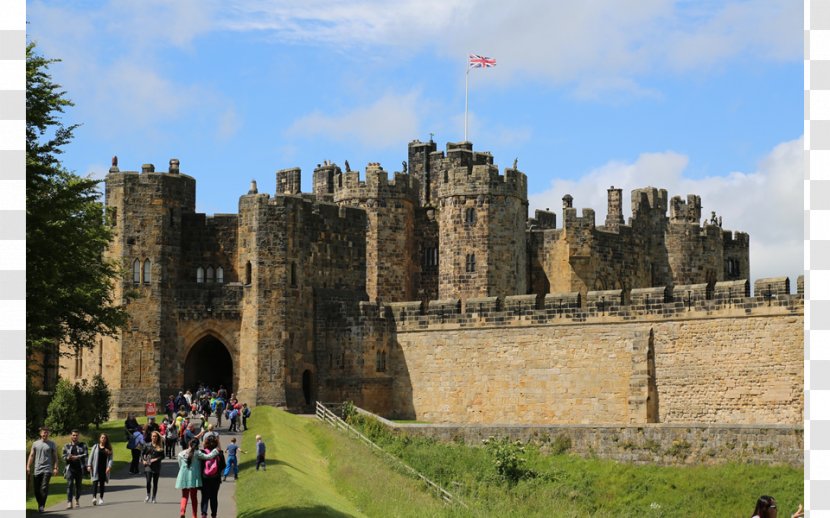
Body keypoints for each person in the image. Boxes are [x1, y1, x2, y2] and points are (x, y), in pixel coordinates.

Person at [176, 438, 220, 518]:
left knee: (184, 496)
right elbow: (208, 457)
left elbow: (180, 465)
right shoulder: (197, 453)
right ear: (197, 445)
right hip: (194, 477)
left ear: (189, 444)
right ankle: (194, 515)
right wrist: (216, 451)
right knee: (194, 497)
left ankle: (182, 511)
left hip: (184, 476)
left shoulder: (180, 454)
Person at [26, 427, 58, 513]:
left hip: (47, 469)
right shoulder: (35, 444)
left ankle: (41, 506)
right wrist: (28, 466)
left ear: (49, 434)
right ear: (41, 434)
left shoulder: (52, 444)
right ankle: (40, 504)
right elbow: (32, 455)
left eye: (47, 433)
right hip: (37, 469)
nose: (45, 434)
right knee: (37, 490)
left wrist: (55, 467)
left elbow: (55, 457)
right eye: (44, 433)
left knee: (44, 487)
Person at [62, 429, 89, 508]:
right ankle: (69, 502)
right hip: (70, 468)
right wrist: (68, 457)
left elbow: (86, 455)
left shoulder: (83, 445)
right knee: (69, 484)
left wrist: (77, 457)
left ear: (78, 436)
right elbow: (63, 456)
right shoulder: (66, 446)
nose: (75, 437)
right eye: (73, 435)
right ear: (71, 436)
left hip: (79, 468)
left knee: (78, 486)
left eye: (76, 435)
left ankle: (77, 500)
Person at [200, 435, 224, 518]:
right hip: (216, 478)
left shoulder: (202, 452)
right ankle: (214, 514)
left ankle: (204, 513)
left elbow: (200, 466)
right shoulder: (219, 453)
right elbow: (223, 465)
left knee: (205, 497)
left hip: (204, 478)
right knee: (214, 497)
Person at [87, 433, 112, 506]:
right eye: (102, 437)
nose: (103, 439)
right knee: (95, 482)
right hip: (95, 467)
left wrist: (109, 467)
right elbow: (91, 457)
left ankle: (101, 498)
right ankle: (94, 497)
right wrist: (89, 465)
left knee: (102, 484)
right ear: (99, 439)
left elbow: (111, 459)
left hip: (104, 468)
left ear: (106, 439)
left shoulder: (108, 448)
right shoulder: (95, 447)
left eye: (104, 438)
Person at [142, 430, 165, 503]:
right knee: (148, 481)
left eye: (155, 436)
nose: (154, 437)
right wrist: (143, 460)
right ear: (151, 437)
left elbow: (163, 456)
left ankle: (154, 497)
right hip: (148, 465)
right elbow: (142, 454)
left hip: (156, 466)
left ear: (157, 437)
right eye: (153, 436)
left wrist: (156, 459)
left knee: (155, 482)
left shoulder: (160, 446)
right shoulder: (147, 445)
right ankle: (148, 494)